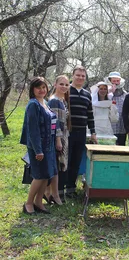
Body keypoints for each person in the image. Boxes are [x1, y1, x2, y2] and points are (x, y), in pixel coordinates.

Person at [20, 77, 56, 214]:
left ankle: (38, 202)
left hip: (49, 145)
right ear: (33, 89)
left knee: (46, 175)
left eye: (44, 87)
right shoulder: (33, 104)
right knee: (39, 176)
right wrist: (38, 150)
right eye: (38, 87)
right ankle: (28, 203)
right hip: (38, 146)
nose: (41, 90)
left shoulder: (45, 103)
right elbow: (33, 129)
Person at [61, 65, 97, 199]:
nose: (80, 78)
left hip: (81, 132)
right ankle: (60, 189)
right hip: (67, 131)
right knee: (65, 160)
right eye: (78, 75)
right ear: (73, 76)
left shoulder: (87, 94)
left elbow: (90, 115)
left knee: (76, 160)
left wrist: (93, 132)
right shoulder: (66, 90)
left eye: (83, 76)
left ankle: (71, 188)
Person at [46, 75, 71, 205]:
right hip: (57, 137)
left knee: (59, 166)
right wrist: (58, 140)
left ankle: (52, 194)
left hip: (64, 136)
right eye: (61, 84)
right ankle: (49, 193)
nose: (64, 87)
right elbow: (54, 123)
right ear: (55, 85)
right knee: (57, 166)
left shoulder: (62, 100)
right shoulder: (54, 100)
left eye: (66, 85)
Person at [107, 71, 128, 145]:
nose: (115, 83)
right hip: (110, 128)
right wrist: (110, 92)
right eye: (113, 81)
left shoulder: (125, 95)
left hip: (121, 128)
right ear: (110, 81)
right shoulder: (105, 93)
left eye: (117, 81)